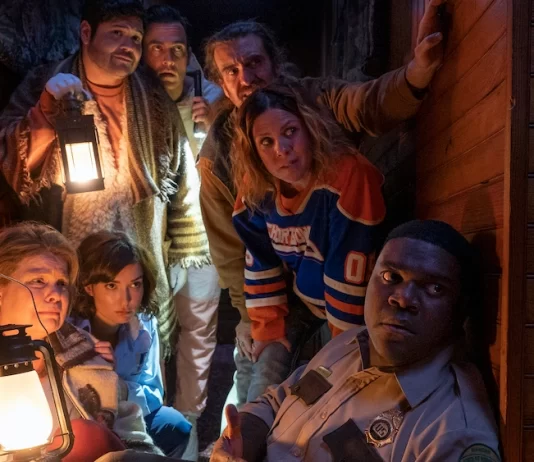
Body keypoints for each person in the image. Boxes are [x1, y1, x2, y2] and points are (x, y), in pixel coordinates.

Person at [199, 0, 446, 409]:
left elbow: (369, 103)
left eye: (254, 62)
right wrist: (253, 320)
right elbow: (235, 250)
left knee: (338, 385)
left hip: (343, 282)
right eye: (232, 70)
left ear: (275, 64)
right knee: (259, 379)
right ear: (223, 85)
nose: (246, 77)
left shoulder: (318, 105)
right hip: (277, 289)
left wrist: (416, 74)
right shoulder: (220, 159)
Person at [0, 0, 210, 355]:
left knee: (139, 349)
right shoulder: (43, 84)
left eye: (135, 38)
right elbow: (12, 156)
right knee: (73, 347)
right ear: (86, 33)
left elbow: (181, 173)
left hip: (139, 245)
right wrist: (46, 117)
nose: (128, 45)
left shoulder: (152, 98)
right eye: (117, 34)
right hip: (68, 246)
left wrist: (183, 250)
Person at [211, 220, 501, 462]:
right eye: (391, 276)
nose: (403, 298)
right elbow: (276, 402)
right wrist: (241, 443)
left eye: (435, 288)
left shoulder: (451, 431)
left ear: (460, 310)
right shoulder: (350, 342)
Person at [230, 82, 385, 396]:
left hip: (357, 313)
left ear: (310, 127)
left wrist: (342, 351)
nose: (282, 150)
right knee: (260, 385)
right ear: (254, 152)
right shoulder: (255, 189)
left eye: (290, 132)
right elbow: (260, 262)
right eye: (266, 142)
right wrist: (268, 329)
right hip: (303, 305)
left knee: (327, 392)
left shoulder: (348, 176)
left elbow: (348, 275)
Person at [0, 222, 163, 460]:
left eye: (61, 284)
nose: (55, 295)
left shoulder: (86, 357)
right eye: (38, 281)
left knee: (85, 436)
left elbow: (129, 431)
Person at [143, 4, 222, 425]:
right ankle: (151, 424)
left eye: (176, 49)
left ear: (188, 54)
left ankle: (186, 426)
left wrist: (216, 123)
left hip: (200, 240)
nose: (166, 59)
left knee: (198, 336)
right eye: (156, 48)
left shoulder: (210, 98)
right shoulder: (133, 103)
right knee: (149, 333)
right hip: (148, 240)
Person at [69, 231, 192, 458]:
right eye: (111, 286)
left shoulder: (144, 325)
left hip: (127, 417)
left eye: (135, 285)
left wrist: (118, 387)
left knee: (175, 424)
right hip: (82, 420)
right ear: (88, 287)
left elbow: (154, 394)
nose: (126, 299)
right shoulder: (70, 328)